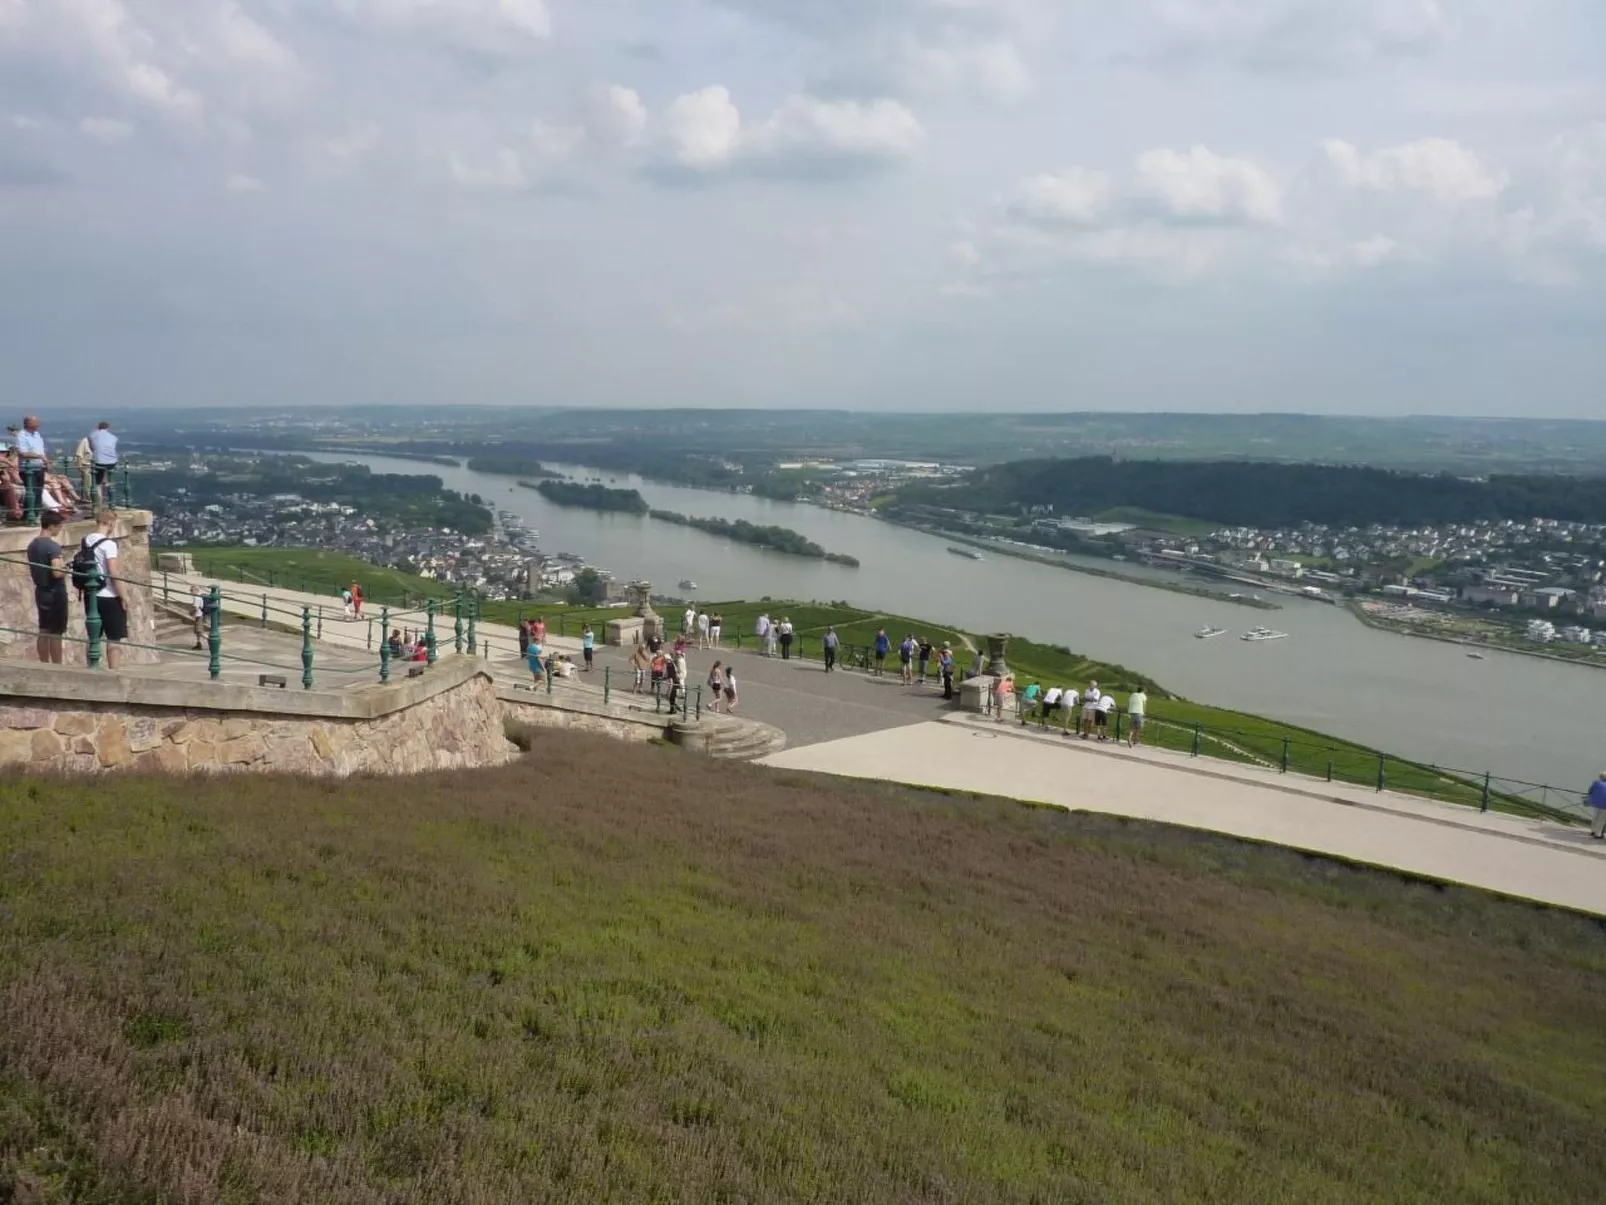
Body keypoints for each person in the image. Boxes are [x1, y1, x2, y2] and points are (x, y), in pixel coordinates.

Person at [80, 510, 127, 669]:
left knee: (94, 636)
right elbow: (113, 573)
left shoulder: (86, 540)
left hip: (91, 593)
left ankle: (92, 667)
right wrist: (123, 596)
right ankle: (114, 672)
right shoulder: (109, 545)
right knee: (114, 637)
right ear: (111, 523)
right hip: (109, 595)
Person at [27, 510, 68, 664]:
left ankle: (43, 663)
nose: (60, 530)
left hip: (40, 591)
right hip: (55, 593)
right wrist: (67, 569)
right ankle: (57, 666)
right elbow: (56, 572)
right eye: (59, 527)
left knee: (43, 629)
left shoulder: (32, 545)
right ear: (51, 526)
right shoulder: (53, 547)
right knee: (56, 633)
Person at [16, 415, 47, 518]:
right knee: (31, 491)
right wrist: (39, 456)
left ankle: (36, 513)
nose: (38, 423)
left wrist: (46, 462)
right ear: (28, 423)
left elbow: (41, 450)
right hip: (28, 468)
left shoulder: (37, 435)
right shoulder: (22, 436)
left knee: (38, 491)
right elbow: (22, 453)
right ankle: (29, 514)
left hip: (39, 467)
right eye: (35, 421)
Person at [87, 421, 118, 508]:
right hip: (112, 462)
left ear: (98, 427)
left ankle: (99, 501)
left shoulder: (92, 435)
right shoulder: (113, 437)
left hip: (99, 462)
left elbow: (91, 448)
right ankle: (106, 481)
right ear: (108, 428)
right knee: (105, 469)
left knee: (97, 482)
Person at [1588, 773, 1606, 841]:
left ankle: (1593, 830)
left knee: (1595, 817)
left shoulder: (1596, 783)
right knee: (1601, 820)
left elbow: (1590, 791)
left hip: (1596, 803)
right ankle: (1598, 834)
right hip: (1604, 805)